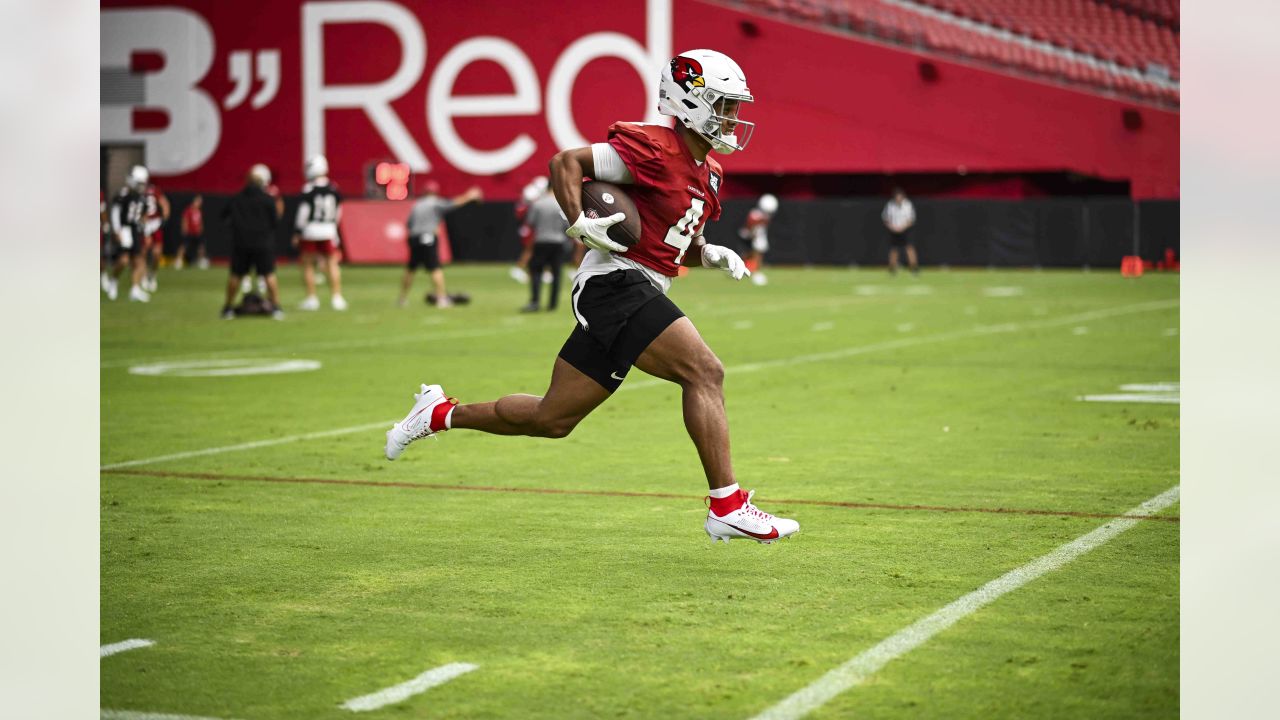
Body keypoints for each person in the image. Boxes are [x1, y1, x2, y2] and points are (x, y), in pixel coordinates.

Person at [384, 49, 800, 545]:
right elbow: (566, 162)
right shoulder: (652, 147)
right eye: (723, 105)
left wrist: (707, 254)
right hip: (613, 282)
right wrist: (578, 222)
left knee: (551, 418)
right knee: (705, 371)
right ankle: (727, 505)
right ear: (690, 101)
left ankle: (438, 412)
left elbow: (675, 247)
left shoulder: (708, 172)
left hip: (640, 283)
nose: (732, 118)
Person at [398, 180, 482, 308]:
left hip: (414, 238)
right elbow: (454, 203)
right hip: (428, 238)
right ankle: (441, 299)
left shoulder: (417, 204)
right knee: (435, 268)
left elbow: (409, 224)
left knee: (411, 269)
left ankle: (402, 299)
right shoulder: (435, 203)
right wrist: (469, 196)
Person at [222, 164, 283, 319]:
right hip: (263, 243)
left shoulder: (236, 199)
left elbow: (223, 217)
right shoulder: (268, 200)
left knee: (236, 275)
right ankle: (276, 308)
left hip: (241, 243)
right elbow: (275, 221)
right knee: (269, 274)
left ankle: (228, 308)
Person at [294, 155, 347, 310]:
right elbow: (338, 212)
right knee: (332, 264)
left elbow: (303, 213)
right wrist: (333, 227)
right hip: (328, 229)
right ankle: (337, 297)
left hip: (310, 230)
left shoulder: (308, 189)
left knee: (308, 265)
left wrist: (298, 231)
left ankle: (312, 298)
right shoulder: (333, 188)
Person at [520, 185, 571, 312]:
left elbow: (530, 222)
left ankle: (535, 301)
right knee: (556, 273)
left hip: (541, 241)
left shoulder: (538, 204)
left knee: (536, 271)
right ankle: (552, 304)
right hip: (558, 242)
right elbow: (567, 225)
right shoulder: (561, 204)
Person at [105, 165, 152, 302]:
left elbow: (144, 216)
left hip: (135, 230)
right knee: (124, 260)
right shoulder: (123, 194)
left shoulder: (141, 197)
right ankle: (113, 281)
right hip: (124, 229)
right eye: (139, 183)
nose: (142, 186)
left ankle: (135, 289)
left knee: (138, 261)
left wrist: (147, 232)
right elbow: (114, 212)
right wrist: (117, 229)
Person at [738, 193, 777, 286]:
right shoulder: (755, 214)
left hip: (758, 236)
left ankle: (752, 269)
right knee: (753, 253)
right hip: (752, 236)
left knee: (757, 254)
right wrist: (752, 234)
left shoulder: (764, 216)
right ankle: (749, 269)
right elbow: (749, 226)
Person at [141, 177, 170, 292]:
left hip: (155, 223)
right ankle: (142, 275)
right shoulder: (137, 192)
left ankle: (152, 275)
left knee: (157, 253)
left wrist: (164, 217)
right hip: (143, 224)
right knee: (143, 251)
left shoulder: (154, 190)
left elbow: (164, 203)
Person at [882, 187, 919, 275]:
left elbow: (911, 219)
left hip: (906, 230)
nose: (898, 198)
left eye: (900, 197)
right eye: (897, 197)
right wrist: (892, 227)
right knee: (894, 249)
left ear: (903, 197)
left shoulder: (908, 205)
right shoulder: (890, 205)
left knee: (909, 248)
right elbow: (885, 218)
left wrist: (903, 227)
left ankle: (914, 268)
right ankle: (892, 268)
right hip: (894, 230)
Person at [176, 194, 208, 270]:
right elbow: (184, 220)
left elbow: (200, 222)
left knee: (201, 247)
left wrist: (201, 228)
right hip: (189, 232)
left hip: (197, 233)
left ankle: (201, 261)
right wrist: (184, 229)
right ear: (194, 201)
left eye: (201, 202)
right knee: (183, 246)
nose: (200, 203)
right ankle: (178, 261)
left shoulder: (199, 211)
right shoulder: (188, 210)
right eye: (198, 201)